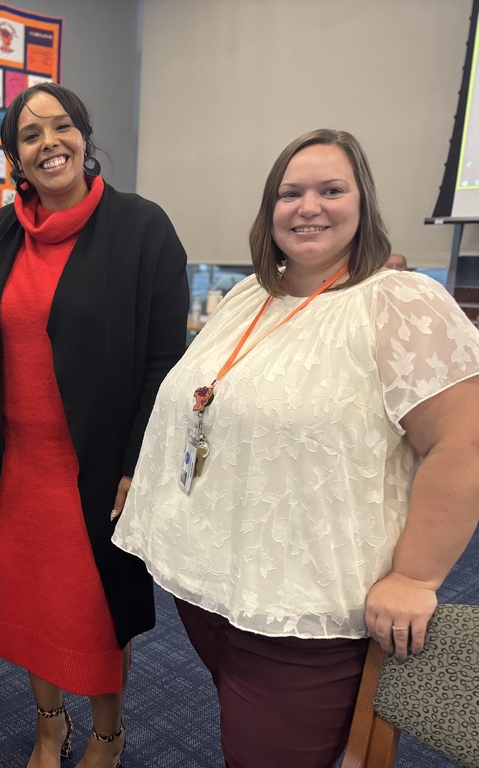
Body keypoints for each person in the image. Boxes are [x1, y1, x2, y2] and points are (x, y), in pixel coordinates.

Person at [112, 129, 479, 767]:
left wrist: (417, 577)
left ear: (362, 204)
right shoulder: (255, 295)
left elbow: (465, 441)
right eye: (290, 193)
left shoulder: (401, 302)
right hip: (216, 587)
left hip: (306, 608)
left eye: (331, 190)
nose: (308, 207)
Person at [0, 82, 189, 768]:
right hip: (16, 468)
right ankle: (48, 725)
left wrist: (135, 462)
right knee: (32, 612)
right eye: (30, 136)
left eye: (61, 127)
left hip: (95, 470)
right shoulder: (5, 230)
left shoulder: (142, 227)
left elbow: (164, 362)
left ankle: (108, 733)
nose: (48, 143)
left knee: (95, 618)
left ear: (85, 138)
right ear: (16, 158)